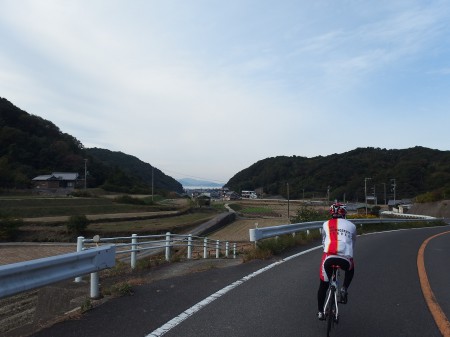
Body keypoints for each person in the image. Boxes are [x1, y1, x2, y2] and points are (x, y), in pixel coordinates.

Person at [317, 202, 356, 320]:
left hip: (329, 258)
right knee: (351, 267)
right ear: (344, 213)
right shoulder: (352, 226)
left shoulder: (325, 224)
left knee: (323, 286)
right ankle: (344, 288)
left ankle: (320, 312)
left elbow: (323, 243)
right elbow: (352, 244)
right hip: (345, 259)